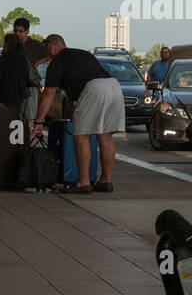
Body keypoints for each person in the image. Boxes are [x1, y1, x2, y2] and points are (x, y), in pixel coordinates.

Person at [32, 35, 124, 193]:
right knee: (105, 137)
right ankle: (105, 181)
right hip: (113, 86)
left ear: (51, 47)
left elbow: (48, 94)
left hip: (94, 89)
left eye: (45, 49)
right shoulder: (82, 54)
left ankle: (83, 182)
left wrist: (38, 122)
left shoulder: (57, 62)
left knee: (81, 137)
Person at [0, 34, 33, 112]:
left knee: (1, 120)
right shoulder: (23, 59)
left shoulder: (4, 58)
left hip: (3, 97)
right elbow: (27, 77)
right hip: (18, 97)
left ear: (8, 44)